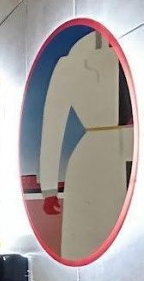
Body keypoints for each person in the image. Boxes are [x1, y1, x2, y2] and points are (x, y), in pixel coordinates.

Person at [39, 30, 134, 260]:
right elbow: (53, 124)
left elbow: (52, 125)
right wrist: (49, 189)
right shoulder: (73, 62)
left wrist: (49, 190)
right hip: (94, 161)